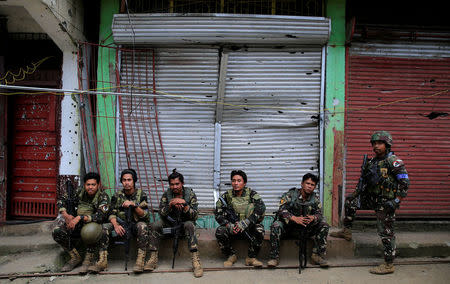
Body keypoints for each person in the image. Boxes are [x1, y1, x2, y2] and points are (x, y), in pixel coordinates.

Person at [330, 131, 410, 274]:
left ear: (387, 144)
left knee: (386, 232)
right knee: (351, 202)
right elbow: (364, 181)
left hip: (386, 202)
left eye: (379, 143)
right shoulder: (372, 161)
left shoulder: (394, 161)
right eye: (374, 143)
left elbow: (404, 183)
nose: (376, 146)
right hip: (372, 198)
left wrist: (397, 201)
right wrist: (355, 194)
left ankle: (388, 264)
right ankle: (346, 231)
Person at [146, 169, 203, 277]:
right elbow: (161, 213)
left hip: (184, 224)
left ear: (182, 183)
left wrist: (185, 205)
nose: (175, 187)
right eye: (172, 184)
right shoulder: (167, 195)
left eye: (177, 184)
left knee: (190, 225)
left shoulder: (190, 194)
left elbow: (195, 216)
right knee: (155, 225)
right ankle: (152, 258)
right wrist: (170, 205)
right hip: (170, 224)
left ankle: (196, 262)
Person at [267, 173, 329, 268]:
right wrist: (294, 218)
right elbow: (281, 210)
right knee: (276, 225)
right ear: (302, 184)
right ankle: (274, 257)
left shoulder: (315, 199)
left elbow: (319, 214)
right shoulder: (291, 195)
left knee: (324, 225)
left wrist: (313, 217)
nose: (309, 186)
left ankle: (316, 255)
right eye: (307, 183)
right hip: (289, 228)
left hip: (306, 229)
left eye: (312, 185)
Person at [52, 172, 110, 273]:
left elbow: (101, 216)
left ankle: (88, 259)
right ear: (84, 185)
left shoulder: (103, 197)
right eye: (88, 185)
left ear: (98, 185)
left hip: (93, 224)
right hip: (76, 223)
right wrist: (66, 215)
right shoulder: (79, 192)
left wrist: (80, 218)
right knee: (57, 231)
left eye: (93, 185)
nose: (90, 187)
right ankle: (75, 257)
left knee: (89, 232)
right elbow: (61, 200)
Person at [215, 170, 266, 268]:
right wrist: (228, 225)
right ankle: (231, 256)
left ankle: (251, 258)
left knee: (259, 229)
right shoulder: (226, 196)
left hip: (248, 227)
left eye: (239, 181)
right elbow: (218, 213)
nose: (236, 183)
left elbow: (261, 207)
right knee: (220, 231)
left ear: (244, 183)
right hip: (233, 228)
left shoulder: (251, 194)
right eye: (233, 181)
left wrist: (247, 222)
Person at [105, 168, 150, 273]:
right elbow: (111, 213)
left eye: (129, 180)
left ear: (134, 181)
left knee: (142, 226)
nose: (126, 183)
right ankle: (102, 259)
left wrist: (134, 205)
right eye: (124, 180)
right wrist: (116, 226)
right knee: (104, 228)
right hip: (120, 223)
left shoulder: (141, 194)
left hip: (135, 224)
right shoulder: (117, 196)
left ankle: (140, 260)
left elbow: (145, 215)